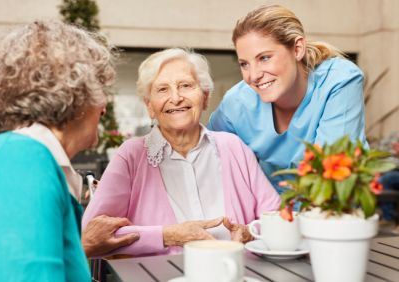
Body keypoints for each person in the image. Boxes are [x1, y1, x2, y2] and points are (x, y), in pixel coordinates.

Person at [0, 21, 138, 281]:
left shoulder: (25, 157)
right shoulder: (20, 163)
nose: (103, 106)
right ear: (76, 95)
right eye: (100, 90)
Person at [82, 48, 281, 257]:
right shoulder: (131, 155)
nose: (176, 98)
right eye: (162, 89)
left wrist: (249, 232)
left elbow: (276, 217)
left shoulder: (233, 146)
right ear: (149, 106)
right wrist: (169, 235)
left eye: (185, 86)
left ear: (205, 97)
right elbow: (93, 236)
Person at [208, 4, 367, 192]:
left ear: (297, 49)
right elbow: (206, 157)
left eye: (264, 58)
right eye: (244, 64)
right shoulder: (236, 103)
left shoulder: (339, 80)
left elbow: (330, 173)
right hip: (269, 215)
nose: (253, 75)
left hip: (333, 212)